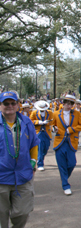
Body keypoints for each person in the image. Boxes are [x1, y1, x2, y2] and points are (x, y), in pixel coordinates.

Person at [0, 91, 39, 228]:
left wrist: (33, 163)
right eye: (6, 103)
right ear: (0, 105)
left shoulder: (26, 122)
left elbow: (34, 144)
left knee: (22, 212)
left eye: (13, 103)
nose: (10, 106)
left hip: (23, 176)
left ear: (18, 105)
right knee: (1, 217)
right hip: (1, 178)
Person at [53, 95, 81, 195]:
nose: (69, 105)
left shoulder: (76, 113)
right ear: (63, 103)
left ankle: (64, 178)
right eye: (67, 103)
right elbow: (51, 125)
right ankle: (65, 185)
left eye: (71, 104)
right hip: (59, 142)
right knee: (61, 165)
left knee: (72, 163)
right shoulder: (55, 113)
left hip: (72, 142)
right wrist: (53, 128)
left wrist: (71, 129)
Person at [30, 100, 54, 171]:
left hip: (47, 133)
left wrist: (51, 125)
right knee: (40, 148)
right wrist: (39, 122)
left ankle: (40, 158)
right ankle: (40, 164)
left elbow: (52, 121)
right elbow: (30, 121)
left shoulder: (49, 112)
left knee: (45, 148)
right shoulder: (34, 112)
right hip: (38, 133)